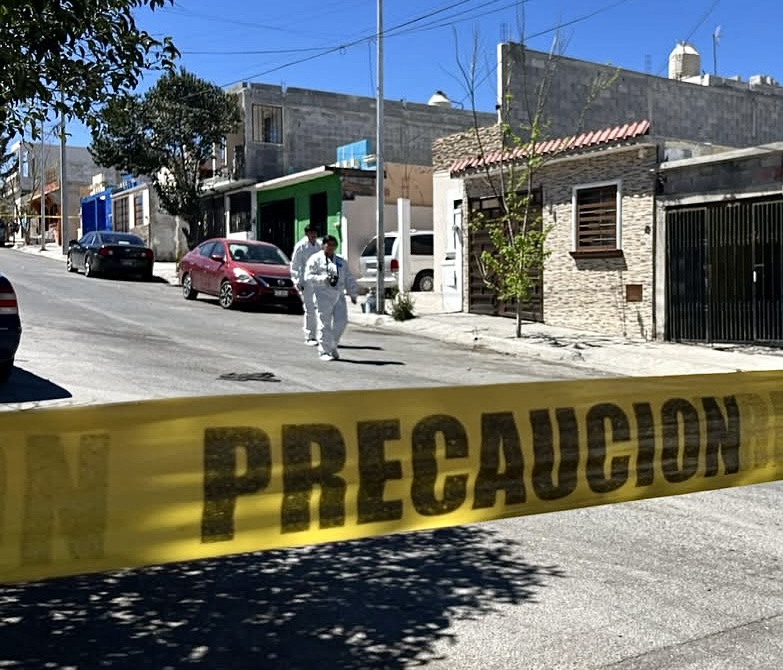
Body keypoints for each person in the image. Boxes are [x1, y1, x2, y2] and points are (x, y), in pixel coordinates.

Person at [305, 235, 358, 361]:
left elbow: (348, 277)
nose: (331, 247)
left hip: (338, 294)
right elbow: (308, 276)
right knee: (325, 323)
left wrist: (353, 293)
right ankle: (324, 351)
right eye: (329, 244)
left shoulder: (340, 260)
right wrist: (322, 279)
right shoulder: (315, 259)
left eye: (334, 245)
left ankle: (332, 344)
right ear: (323, 245)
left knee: (342, 321)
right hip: (322, 295)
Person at [289, 224, 321, 345]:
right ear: (307, 234)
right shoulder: (301, 247)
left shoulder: (318, 245)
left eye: (315, 233)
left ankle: (320, 335)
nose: (313, 235)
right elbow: (295, 265)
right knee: (310, 309)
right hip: (306, 282)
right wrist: (298, 281)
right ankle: (310, 336)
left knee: (320, 309)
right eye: (311, 233)